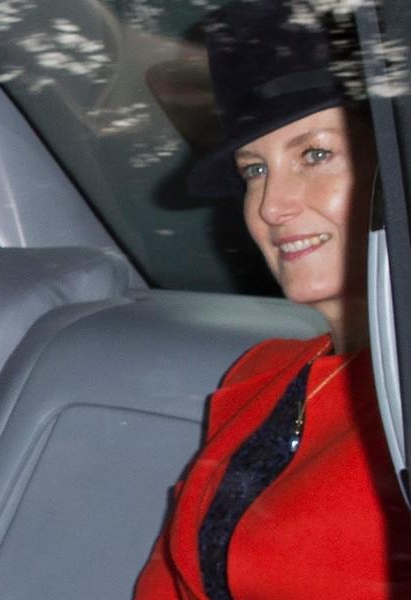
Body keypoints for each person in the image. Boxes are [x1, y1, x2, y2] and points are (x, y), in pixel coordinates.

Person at [135, 1, 411, 598]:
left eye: (315, 155)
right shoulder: (263, 376)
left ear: (395, 170)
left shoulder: (403, 400)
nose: (270, 206)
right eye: (254, 170)